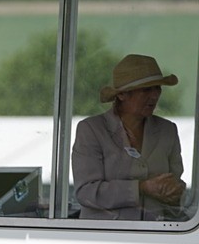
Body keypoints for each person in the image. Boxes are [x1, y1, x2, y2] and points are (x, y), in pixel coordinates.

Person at [72, 54, 187, 220]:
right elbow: (86, 192)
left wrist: (175, 194)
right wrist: (142, 188)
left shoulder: (167, 130)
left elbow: (176, 185)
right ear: (122, 95)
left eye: (157, 88)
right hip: (104, 233)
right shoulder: (92, 130)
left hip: (157, 232)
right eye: (146, 90)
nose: (154, 95)